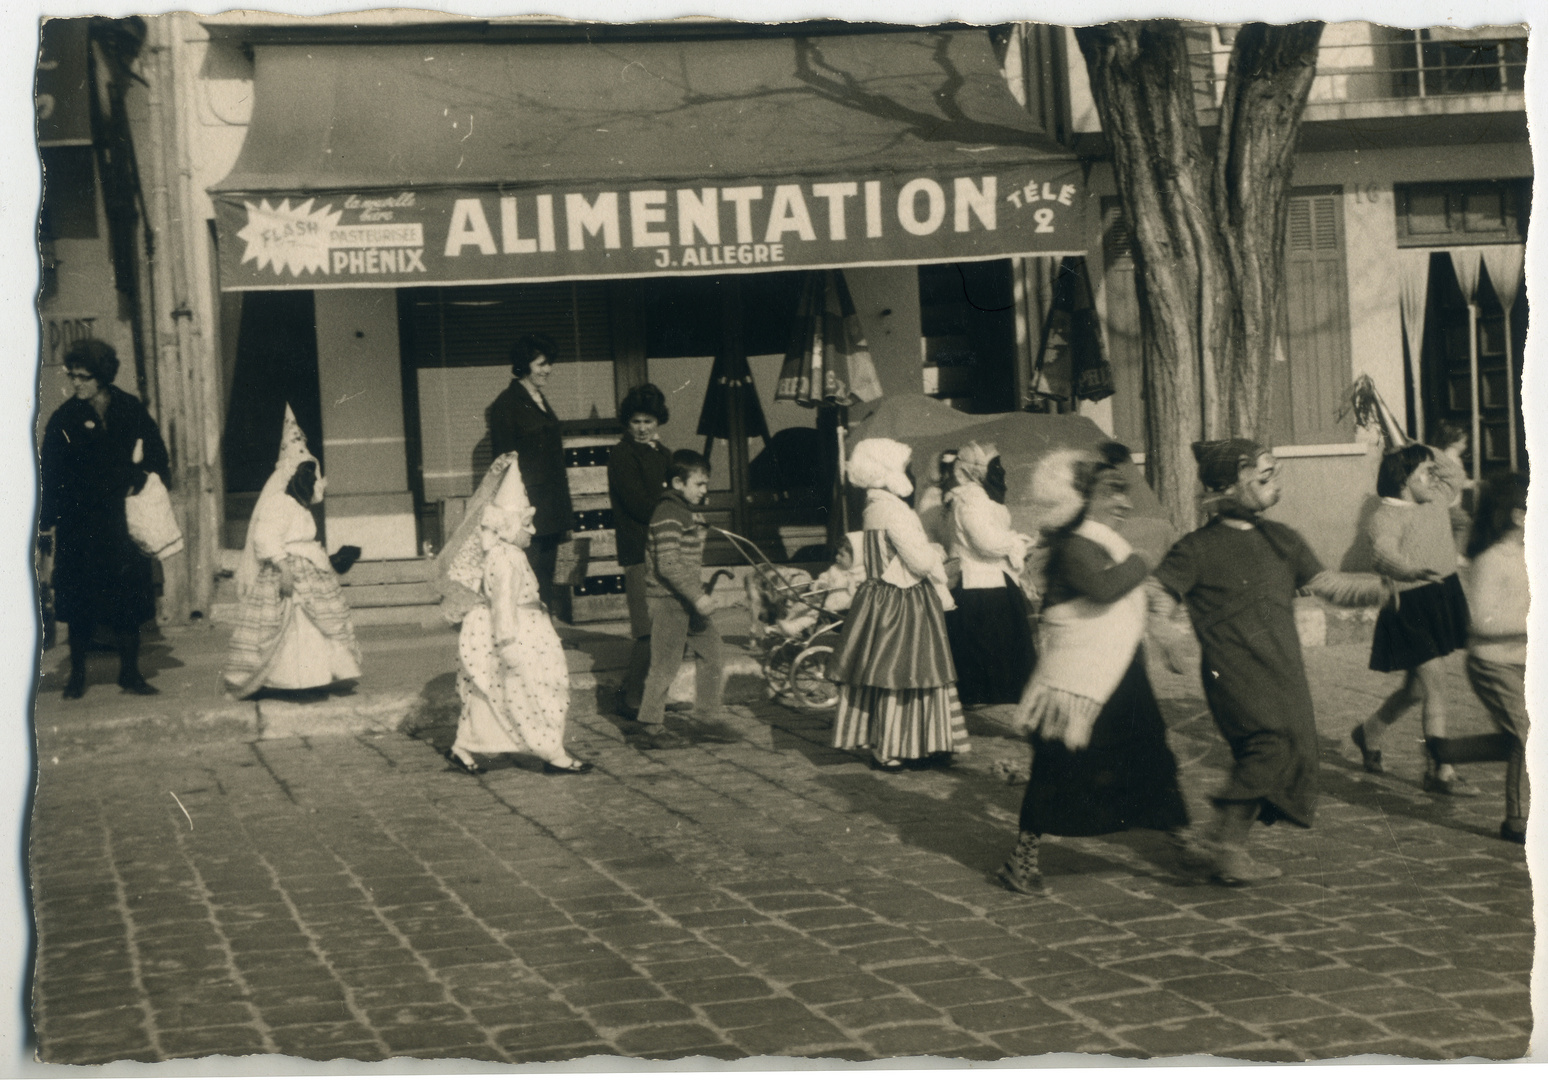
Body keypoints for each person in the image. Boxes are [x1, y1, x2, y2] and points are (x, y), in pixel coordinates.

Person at [1152, 439, 1387, 885]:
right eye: (1263, 477)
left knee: (1294, 748)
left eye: (1273, 475)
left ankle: (1217, 838)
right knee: (1270, 745)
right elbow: (1158, 592)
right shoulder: (1196, 548)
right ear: (1229, 486)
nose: (1274, 484)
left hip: (1282, 669)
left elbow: (1330, 586)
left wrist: (1384, 588)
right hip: (1234, 670)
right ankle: (1228, 847)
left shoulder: (1283, 540)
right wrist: (1164, 634)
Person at [1000, 443, 1189, 894]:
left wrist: (1165, 640)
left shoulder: (1107, 542)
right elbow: (1105, 590)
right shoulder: (1075, 546)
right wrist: (1143, 561)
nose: (1122, 503)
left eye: (1124, 493)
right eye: (1110, 493)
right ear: (1081, 499)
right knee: (1057, 768)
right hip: (1077, 686)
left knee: (1151, 756)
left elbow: (1135, 603)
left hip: (1122, 675)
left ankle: (1183, 842)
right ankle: (1021, 861)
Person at [434, 452, 590, 775]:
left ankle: (466, 744)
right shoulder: (508, 559)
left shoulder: (506, 554)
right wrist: (507, 642)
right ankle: (550, 749)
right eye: (527, 523)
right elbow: (503, 603)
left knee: (492, 689)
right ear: (508, 525)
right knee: (537, 687)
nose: (532, 531)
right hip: (519, 632)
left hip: (521, 626)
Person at [39, 339, 171, 698]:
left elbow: (157, 452)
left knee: (127, 603)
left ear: (102, 378)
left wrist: (141, 478)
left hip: (122, 525)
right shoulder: (64, 419)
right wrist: (46, 523)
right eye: (73, 376)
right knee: (81, 605)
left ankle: (131, 675)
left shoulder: (129, 408)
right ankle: (77, 676)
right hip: (79, 526)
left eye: (84, 377)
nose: (76, 383)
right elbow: (50, 474)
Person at [828, 437, 969, 771]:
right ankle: (904, 744)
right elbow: (918, 562)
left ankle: (899, 741)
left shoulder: (871, 507)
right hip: (905, 599)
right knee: (912, 672)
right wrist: (937, 557)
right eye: (903, 468)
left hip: (879, 596)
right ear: (888, 472)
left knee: (884, 670)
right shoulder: (896, 511)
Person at [1351, 444, 1476, 795]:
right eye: (1424, 472)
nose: (1433, 477)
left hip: (1441, 596)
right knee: (1435, 684)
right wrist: (1407, 569)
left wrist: (1422, 450)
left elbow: (1453, 472)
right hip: (1409, 604)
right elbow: (1382, 553)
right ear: (1404, 481)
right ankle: (1442, 771)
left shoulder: (1434, 498)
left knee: (1416, 688)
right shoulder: (1385, 517)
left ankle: (1370, 730)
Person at [225, 408, 363, 698]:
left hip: (309, 569)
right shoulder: (279, 503)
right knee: (293, 622)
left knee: (318, 621)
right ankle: (293, 679)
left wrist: (334, 560)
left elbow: (307, 542)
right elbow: (266, 537)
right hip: (287, 569)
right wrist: (283, 568)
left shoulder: (300, 507)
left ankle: (319, 675)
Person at [1451, 472, 1529, 842]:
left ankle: (1446, 750)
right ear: (1517, 515)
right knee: (1528, 734)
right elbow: (1481, 621)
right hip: (1492, 662)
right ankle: (1517, 821)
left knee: (1516, 736)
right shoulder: (1490, 559)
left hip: (1524, 661)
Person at [637, 449, 723, 750]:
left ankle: (707, 718)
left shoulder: (683, 512)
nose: (704, 490)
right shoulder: (668, 513)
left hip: (685, 598)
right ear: (678, 482)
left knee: (712, 651)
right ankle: (651, 725)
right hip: (668, 600)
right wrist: (698, 596)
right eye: (699, 484)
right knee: (665, 665)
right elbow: (668, 564)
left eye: (705, 484)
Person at [943, 441, 1035, 706]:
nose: (1002, 472)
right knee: (986, 642)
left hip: (989, 579)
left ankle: (988, 694)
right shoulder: (972, 499)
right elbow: (985, 542)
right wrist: (1016, 543)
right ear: (977, 470)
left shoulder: (976, 497)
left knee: (992, 642)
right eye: (996, 466)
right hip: (979, 582)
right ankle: (985, 695)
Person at [487, 333, 573, 615]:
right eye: (541, 364)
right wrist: (515, 514)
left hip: (550, 506)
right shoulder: (506, 405)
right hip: (526, 508)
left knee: (544, 577)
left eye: (549, 364)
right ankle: (524, 638)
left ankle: (542, 635)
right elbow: (505, 463)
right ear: (525, 365)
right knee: (526, 577)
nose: (548, 370)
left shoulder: (539, 398)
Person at [607, 383, 674, 720]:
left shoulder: (665, 455)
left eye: (648, 420)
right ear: (627, 423)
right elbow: (638, 504)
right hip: (639, 551)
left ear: (657, 421)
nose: (643, 427)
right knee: (647, 631)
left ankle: (653, 695)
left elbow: (681, 493)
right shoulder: (622, 456)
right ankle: (630, 698)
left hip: (667, 551)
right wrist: (673, 510)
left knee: (666, 630)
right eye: (636, 421)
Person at [1430, 420, 1473, 555]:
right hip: (1449, 504)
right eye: (1464, 442)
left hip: (1443, 503)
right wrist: (1474, 484)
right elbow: (1458, 481)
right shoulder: (1453, 459)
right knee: (1464, 524)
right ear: (1454, 442)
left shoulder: (1443, 455)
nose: (1465, 446)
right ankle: (1457, 555)